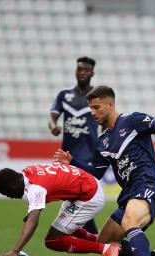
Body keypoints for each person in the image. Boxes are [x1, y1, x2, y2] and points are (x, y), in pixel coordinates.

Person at [54, 85, 155, 256]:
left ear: (111, 105)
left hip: (148, 187)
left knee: (130, 222)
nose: (92, 113)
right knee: (104, 242)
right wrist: (72, 163)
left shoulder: (132, 121)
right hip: (128, 195)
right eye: (90, 108)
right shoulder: (102, 142)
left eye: (96, 107)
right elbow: (97, 173)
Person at [0, 163, 120, 256]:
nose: (10, 197)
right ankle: (97, 239)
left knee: (53, 240)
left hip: (89, 196)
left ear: (13, 188)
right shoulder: (28, 171)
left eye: (8, 194)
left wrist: (16, 250)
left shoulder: (35, 188)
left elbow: (33, 221)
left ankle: (106, 249)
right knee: (61, 228)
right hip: (84, 185)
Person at [48, 56, 100, 234]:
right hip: (68, 156)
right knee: (75, 195)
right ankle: (92, 236)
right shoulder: (65, 95)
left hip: (90, 155)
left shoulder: (97, 96)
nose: (82, 72)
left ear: (92, 72)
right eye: (79, 69)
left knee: (80, 194)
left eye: (86, 70)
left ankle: (91, 236)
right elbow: (53, 116)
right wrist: (54, 126)